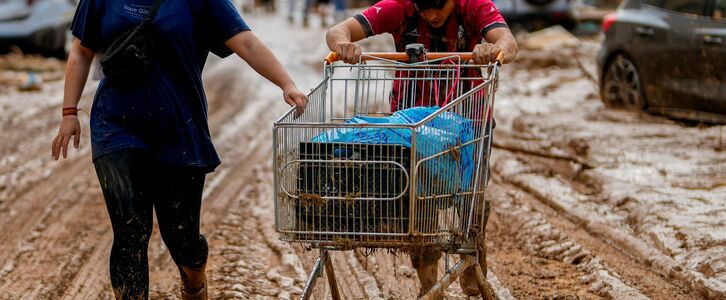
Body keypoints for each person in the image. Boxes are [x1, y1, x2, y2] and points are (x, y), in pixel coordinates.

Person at [50, 0, 307, 298]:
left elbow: (246, 42)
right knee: (129, 230)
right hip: (116, 124)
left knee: (182, 239)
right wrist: (69, 113)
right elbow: (82, 51)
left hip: (179, 128)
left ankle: (194, 282)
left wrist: (286, 83)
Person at [325, 0, 517, 296]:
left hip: (467, 120)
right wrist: (344, 44)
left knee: (470, 197)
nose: (432, 15)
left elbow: (509, 42)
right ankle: (430, 285)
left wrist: (492, 49)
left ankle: (471, 257)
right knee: (419, 202)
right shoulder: (399, 8)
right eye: (424, 7)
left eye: (439, 5)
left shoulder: (475, 7)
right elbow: (339, 31)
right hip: (413, 122)